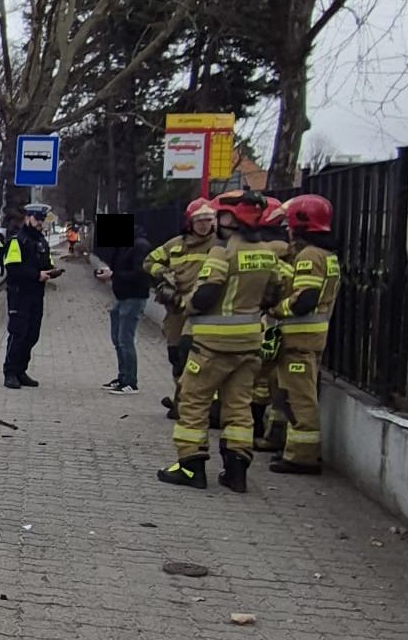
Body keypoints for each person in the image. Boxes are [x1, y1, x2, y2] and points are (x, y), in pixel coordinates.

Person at [158, 190, 277, 493]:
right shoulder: (266, 253)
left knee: (193, 402)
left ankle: (190, 467)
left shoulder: (222, 253)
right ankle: (236, 473)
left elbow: (205, 296)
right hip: (249, 345)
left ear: (231, 219)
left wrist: (182, 302)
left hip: (213, 346)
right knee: (239, 407)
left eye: (219, 216)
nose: (215, 222)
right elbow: (272, 294)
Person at [266, 194, 341, 475]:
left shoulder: (310, 255)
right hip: (311, 339)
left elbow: (305, 300)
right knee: (294, 393)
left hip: (300, 339)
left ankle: (303, 457)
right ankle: (292, 448)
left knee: (299, 398)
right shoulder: (327, 255)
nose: (287, 230)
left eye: (289, 225)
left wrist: (277, 309)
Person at [146, 198, 217, 419]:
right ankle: (180, 398)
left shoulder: (219, 246)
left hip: (202, 311)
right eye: (199, 220)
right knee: (176, 356)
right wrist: (163, 274)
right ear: (190, 222)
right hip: (176, 309)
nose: (204, 224)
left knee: (193, 357)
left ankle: (193, 403)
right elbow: (149, 261)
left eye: (208, 220)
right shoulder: (175, 245)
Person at [2, 203, 61, 390]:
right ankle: (10, 372)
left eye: (42, 219)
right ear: (27, 218)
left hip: (36, 294)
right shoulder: (17, 241)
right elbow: (12, 268)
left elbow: (47, 262)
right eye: (37, 219)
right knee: (18, 333)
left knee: (32, 334)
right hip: (19, 294)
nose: (40, 223)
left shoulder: (41, 241)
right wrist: (36, 275)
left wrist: (52, 271)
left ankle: (21, 370)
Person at [251, 199, 292, 451]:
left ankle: (259, 428)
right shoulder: (295, 251)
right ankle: (273, 432)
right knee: (276, 382)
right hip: (289, 327)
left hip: (270, 325)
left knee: (261, 377)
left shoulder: (264, 250)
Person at [95, 224, 153, 394]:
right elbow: (120, 267)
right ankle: (122, 377)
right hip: (121, 296)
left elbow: (141, 274)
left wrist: (113, 275)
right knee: (117, 338)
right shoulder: (123, 247)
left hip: (134, 297)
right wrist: (108, 272)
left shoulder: (140, 246)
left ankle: (130, 381)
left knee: (125, 339)